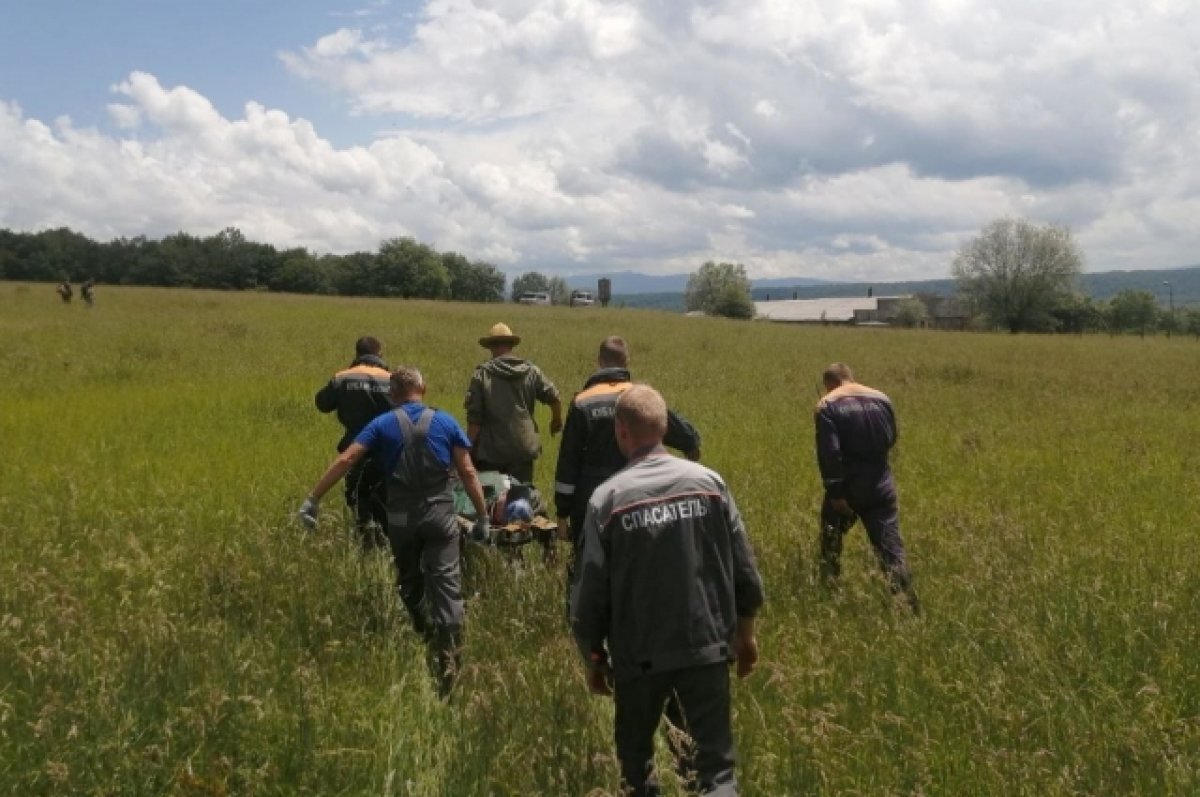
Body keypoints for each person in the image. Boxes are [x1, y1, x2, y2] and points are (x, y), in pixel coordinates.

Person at [571, 384, 764, 797]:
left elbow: (590, 593)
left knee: (636, 774)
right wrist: (745, 634)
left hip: (637, 656)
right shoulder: (711, 484)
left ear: (621, 432)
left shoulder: (607, 500)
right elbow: (744, 570)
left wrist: (592, 654)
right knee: (714, 774)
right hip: (707, 647)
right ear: (663, 428)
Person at [299, 366, 489, 697]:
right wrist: (483, 517)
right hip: (442, 519)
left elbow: (347, 460)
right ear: (423, 388)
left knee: (409, 582)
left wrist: (313, 500)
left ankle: (424, 632)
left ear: (392, 394)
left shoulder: (382, 424)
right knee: (447, 587)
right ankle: (449, 665)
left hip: (400, 520)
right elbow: (469, 472)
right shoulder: (445, 421)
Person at [553, 336, 702, 555]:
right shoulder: (638, 398)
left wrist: (562, 512)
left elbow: (568, 461)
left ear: (599, 361)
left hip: (589, 497)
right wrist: (691, 445)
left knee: (588, 561)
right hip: (636, 494)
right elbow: (683, 434)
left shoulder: (582, 402)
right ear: (626, 362)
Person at [815, 363, 919, 612]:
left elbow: (829, 454)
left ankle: (828, 595)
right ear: (850, 378)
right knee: (891, 550)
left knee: (831, 543)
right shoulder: (881, 398)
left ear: (829, 384)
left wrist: (836, 493)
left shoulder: (827, 404)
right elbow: (892, 437)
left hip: (848, 485)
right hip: (881, 483)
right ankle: (908, 607)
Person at [314, 336, 393, 546]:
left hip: (354, 451)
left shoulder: (342, 378)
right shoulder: (392, 379)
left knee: (358, 499)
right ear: (379, 354)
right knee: (387, 498)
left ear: (357, 354)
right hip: (388, 452)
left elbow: (322, 403)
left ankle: (366, 542)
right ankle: (386, 541)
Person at [464, 322, 563, 485]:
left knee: (493, 502)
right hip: (522, 450)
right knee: (522, 499)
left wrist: (466, 451)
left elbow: (474, 421)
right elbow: (555, 398)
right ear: (511, 345)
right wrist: (556, 421)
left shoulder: (482, 375)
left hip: (491, 452)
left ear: (491, 346)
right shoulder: (531, 371)